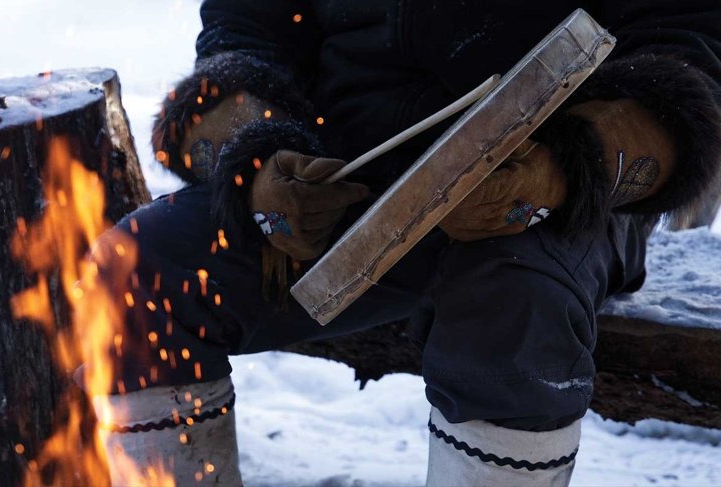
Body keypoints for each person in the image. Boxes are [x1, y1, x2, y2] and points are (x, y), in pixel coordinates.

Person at [87, 1, 721, 485]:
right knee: (137, 273)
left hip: (557, 187)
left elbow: (685, 49)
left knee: (510, 304)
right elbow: (246, 30)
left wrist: (562, 167)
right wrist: (255, 162)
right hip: (339, 176)